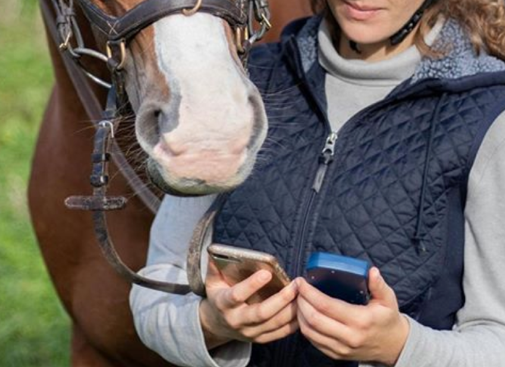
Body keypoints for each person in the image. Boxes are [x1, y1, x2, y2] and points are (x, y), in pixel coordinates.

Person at [130, 0, 505, 366]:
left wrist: (399, 346)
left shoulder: (491, 118)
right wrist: (210, 324)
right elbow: (155, 295)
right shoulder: (239, 89)